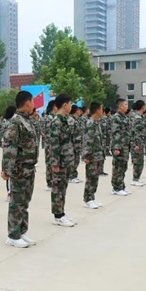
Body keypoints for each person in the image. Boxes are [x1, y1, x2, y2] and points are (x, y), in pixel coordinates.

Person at [1, 91, 39, 248]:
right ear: (27, 102)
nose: (33, 105)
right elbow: (10, 147)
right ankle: (13, 235)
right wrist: (6, 170)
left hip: (29, 168)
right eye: (32, 101)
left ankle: (22, 231)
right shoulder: (15, 122)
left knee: (25, 201)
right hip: (19, 169)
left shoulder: (27, 121)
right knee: (17, 202)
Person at [48, 94, 76, 227]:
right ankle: (58, 215)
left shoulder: (65, 120)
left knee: (63, 188)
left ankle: (61, 212)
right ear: (65, 104)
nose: (71, 106)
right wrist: (54, 162)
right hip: (59, 161)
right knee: (58, 188)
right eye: (70, 103)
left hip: (66, 159)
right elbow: (54, 144)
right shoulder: (56, 122)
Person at [81, 102, 105, 209]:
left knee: (95, 178)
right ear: (97, 110)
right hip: (91, 156)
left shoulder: (96, 123)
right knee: (90, 178)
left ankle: (92, 197)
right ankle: (88, 199)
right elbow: (87, 140)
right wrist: (86, 156)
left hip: (98, 155)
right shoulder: (90, 123)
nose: (102, 111)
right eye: (101, 109)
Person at [111, 98, 132, 196]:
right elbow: (115, 132)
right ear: (120, 106)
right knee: (118, 167)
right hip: (119, 146)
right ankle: (116, 187)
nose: (127, 106)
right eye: (125, 104)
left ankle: (121, 186)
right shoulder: (116, 117)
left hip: (125, 145)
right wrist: (116, 147)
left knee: (123, 166)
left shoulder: (124, 117)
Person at [128, 100, 146, 187]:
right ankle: (135, 179)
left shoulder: (137, 116)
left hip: (139, 143)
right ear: (142, 107)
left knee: (140, 161)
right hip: (137, 144)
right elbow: (136, 133)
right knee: (138, 162)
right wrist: (137, 144)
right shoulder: (137, 118)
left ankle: (137, 178)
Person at [68, 105, 83, 184]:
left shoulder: (76, 120)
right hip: (73, 145)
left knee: (76, 161)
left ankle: (74, 175)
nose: (80, 111)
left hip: (77, 144)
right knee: (73, 161)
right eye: (78, 110)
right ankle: (71, 176)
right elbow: (71, 133)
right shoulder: (71, 120)